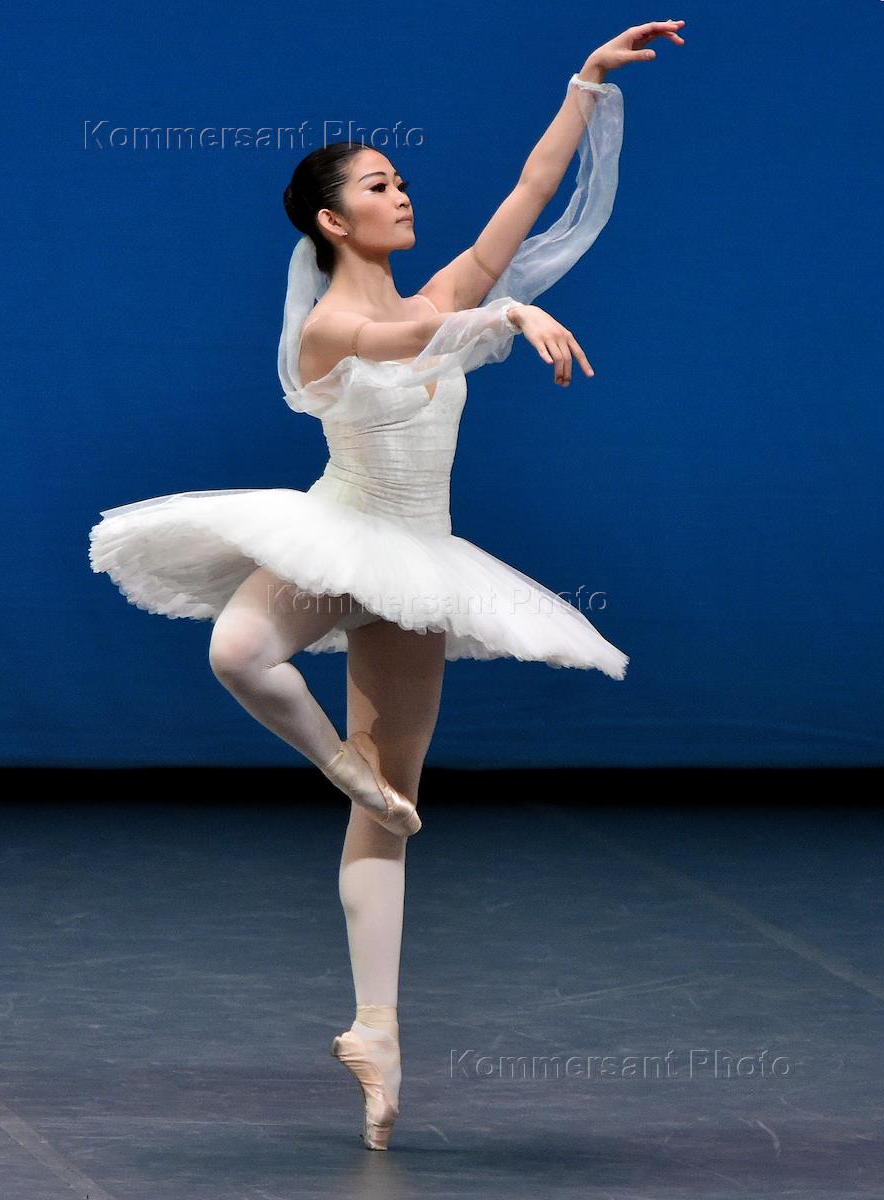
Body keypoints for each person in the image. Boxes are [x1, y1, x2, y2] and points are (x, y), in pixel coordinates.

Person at [88, 20, 686, 1150]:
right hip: (342, 532)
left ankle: (377, 1031)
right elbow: (401, 343)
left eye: (401, 180)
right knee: (239, 651)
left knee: (395, 811)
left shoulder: (440, 292)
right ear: (332, 220)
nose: (402, 194)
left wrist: (584, 85)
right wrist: (506, 313)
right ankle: (336, 762)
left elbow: (530, 192)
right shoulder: (331, 322)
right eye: (378, 185)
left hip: (419, 560)